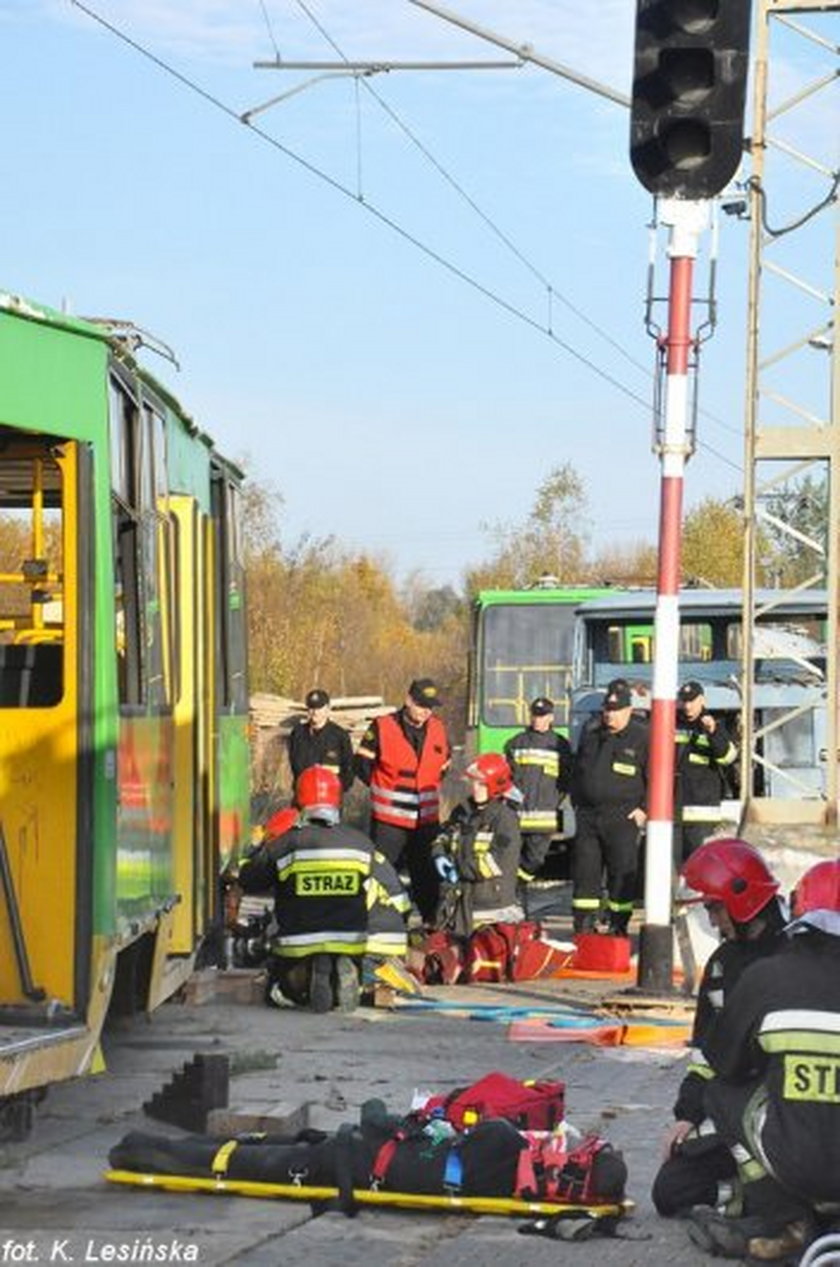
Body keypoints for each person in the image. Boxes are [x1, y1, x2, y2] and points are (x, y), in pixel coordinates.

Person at [688, 858, 840, 1262]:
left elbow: (726, 1065)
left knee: (722, 1094)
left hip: (796, 1162)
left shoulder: (767, 977)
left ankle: (787, 1219)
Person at [652, 838, 786, 1219]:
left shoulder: (794, 957)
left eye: (714, 908)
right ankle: (753, 1199)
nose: (712, 920)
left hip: (786, 1114)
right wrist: (687, 1115)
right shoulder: (721, 967)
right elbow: (705, 1054)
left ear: (740, 899)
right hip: (733, 1111)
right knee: (671, 1191)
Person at [238, 765, 374, 1013]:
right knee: (345, 946)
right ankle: (345, 965)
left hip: (299, 940)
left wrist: (254, 850)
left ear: (298, 802)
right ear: (338, 801)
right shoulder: (361, 844)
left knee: (280, 991)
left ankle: (305, 978)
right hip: (350, 937)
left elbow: (250, 880)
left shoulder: (286, 843)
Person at [355, 678, 451, 924]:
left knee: (428, 879)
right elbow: (362, 764)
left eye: (430, 707)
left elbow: (444, 766)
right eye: (421, 705)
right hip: (390, 822)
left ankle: (431, 925)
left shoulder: (439, 728)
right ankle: (380, 924)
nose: (425, 711)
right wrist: (380, 788)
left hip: (426, 822)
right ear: (408, 700)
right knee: (383, 875)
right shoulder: (382, 726)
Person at [570, 679, 648, 935]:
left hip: (622, 818)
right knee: (585, 872)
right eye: (607, 710)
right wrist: (577, 803)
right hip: (589, 817)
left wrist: (644, 809)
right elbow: (578, 769)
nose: (609, 715)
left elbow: (657, 776)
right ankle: (583, 926)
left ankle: (618, 926)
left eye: (615, 710)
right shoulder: (591, 733)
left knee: (621, 872)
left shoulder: (641, 735)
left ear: (627, 710)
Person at [430, 753, 523, 937]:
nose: (474, 788)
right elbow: (443, 836)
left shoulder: (505, 818)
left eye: (481, 783)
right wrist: (439, 853)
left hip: (492, 907)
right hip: (462, 901)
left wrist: (458, 869)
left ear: (495, 786)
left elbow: (495, 861)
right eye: (472, 782)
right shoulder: (462, 811)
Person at [503, 697, 573, 905]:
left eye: (542, 716)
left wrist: (553, 801)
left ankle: (517, 885)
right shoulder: (516, 743)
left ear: (551, 717)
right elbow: (506, 779)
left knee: (535, 860)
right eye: (535, 715)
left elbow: (567, 779)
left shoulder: (561, 745)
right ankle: (510, 895)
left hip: (545, 817)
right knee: (509, 858)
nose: (538, 720)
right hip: (516, 815)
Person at [674, 681, 738, 861]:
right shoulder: (671, 723)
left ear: (702, 700)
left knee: (699, 862)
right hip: (674, 808)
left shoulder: (715, 724)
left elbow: (727, 757)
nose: (687, 706)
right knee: (672, 864)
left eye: (692, 701)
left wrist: (713, 732)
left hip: (701, 810)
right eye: (684, 701)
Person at [287, 689, 355, 795]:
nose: (315, 712)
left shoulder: (340, 736)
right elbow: (294, 765)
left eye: (319, 708)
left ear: (328, 709)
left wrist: (338, 790)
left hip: (330, 799)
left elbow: (349, 769)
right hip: (303, 796)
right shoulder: (298, 734)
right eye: (311, 708)